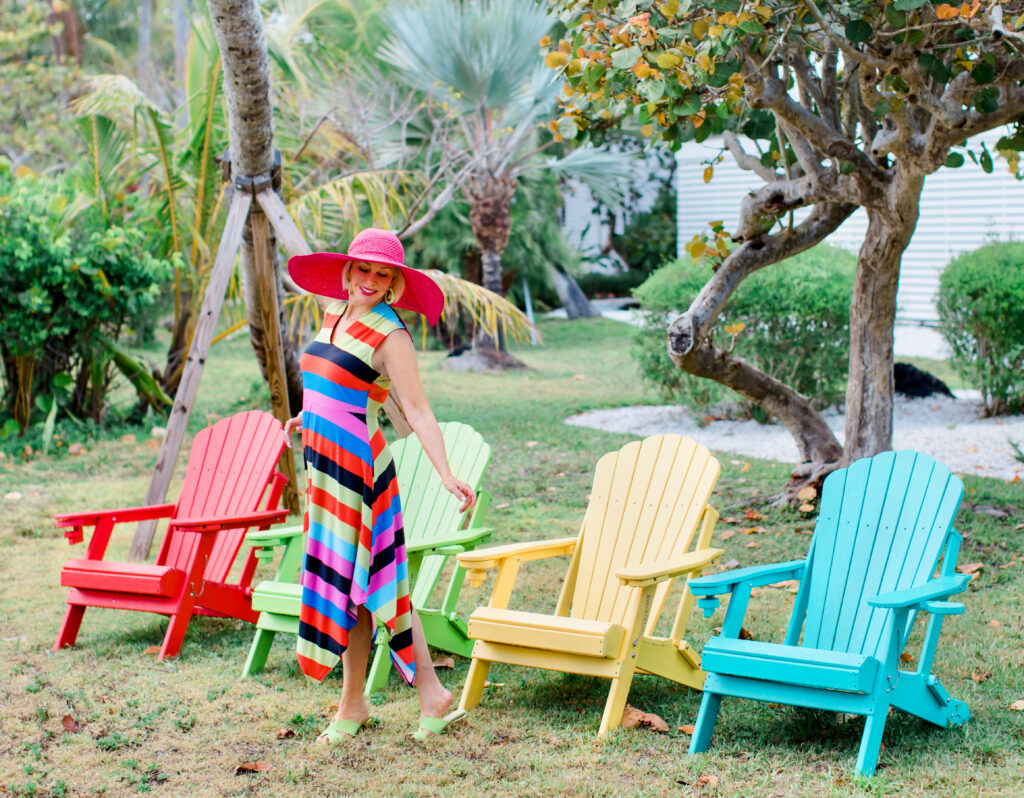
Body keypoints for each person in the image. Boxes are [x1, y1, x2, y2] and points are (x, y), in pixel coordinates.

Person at [284, 227, 476, 742]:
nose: (370, 279)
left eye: (382, 274)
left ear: (393, 284)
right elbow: (334, 384)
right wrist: (308, 419)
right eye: (363, 268)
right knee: (351, 583)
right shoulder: (332, 317)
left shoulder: (390, 334)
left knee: (379, 582)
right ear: (347, 271)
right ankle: (354, 702)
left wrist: (446, 472)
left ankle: (427, 693)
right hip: (323, 469)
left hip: (360, 473)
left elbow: (415, 409)